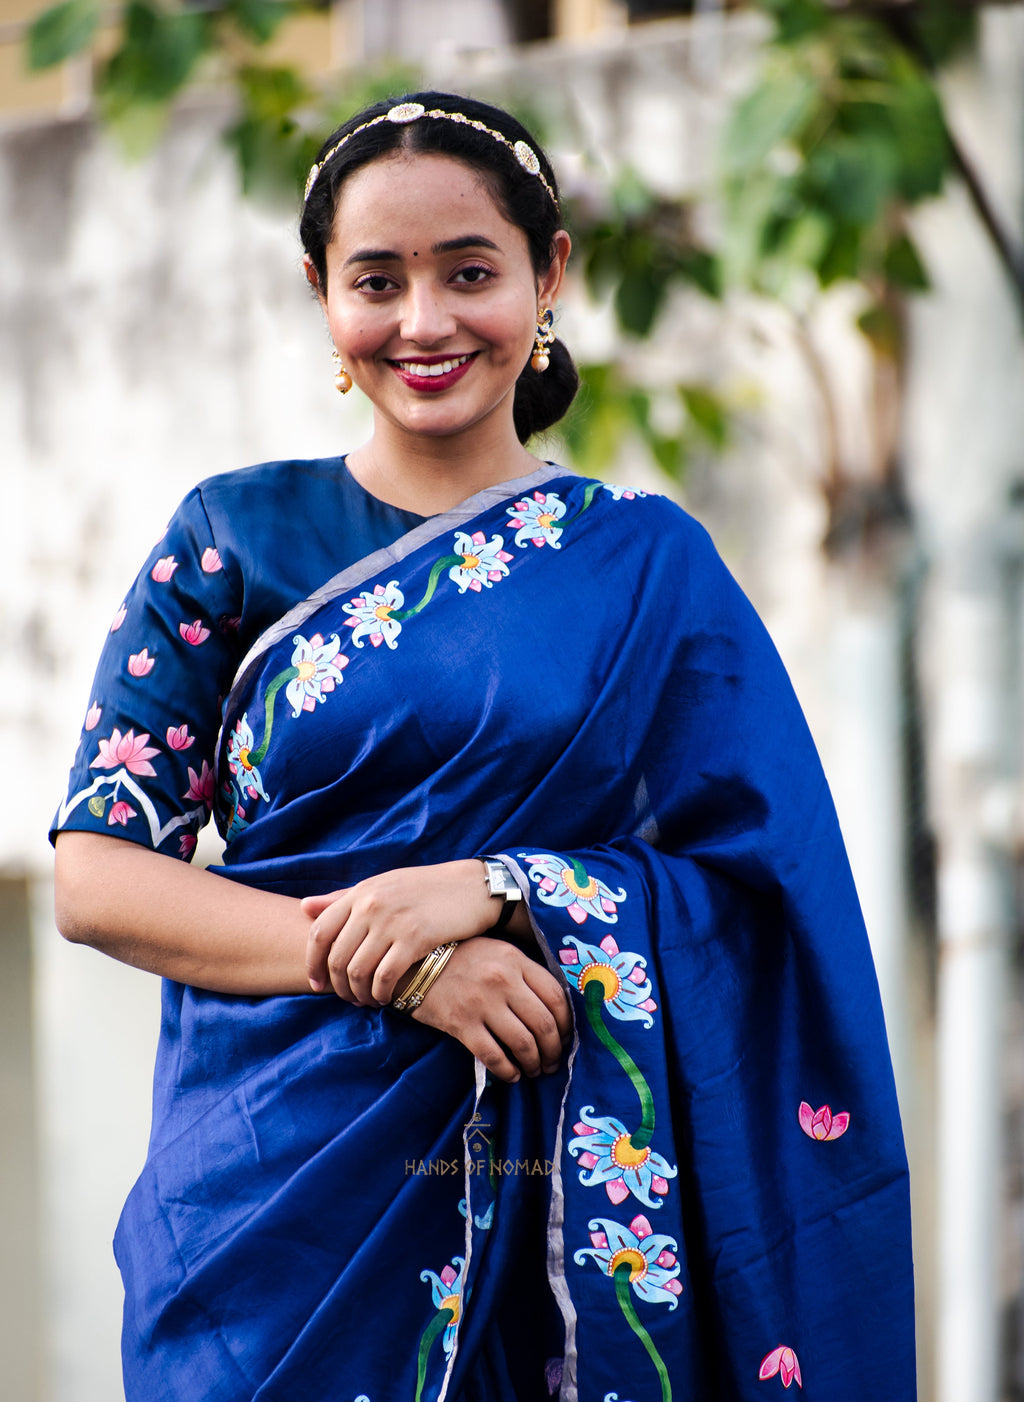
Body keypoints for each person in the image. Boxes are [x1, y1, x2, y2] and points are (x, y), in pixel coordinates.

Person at [51, 92, 915, 1402]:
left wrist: (509, 889)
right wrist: (400, 967)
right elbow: (96, 876)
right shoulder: (231, 539)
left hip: (550, 1192)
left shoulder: (644, 571)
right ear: (321, 295)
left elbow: (764, 889)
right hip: (268, 1213)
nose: (424, 322)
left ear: (547, 273)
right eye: (376, 280)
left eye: (470, 272)